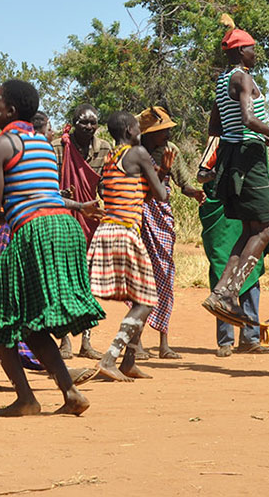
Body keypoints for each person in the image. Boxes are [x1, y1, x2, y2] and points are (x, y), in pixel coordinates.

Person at [0, 79, 105, 416]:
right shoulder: (43, 143)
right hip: (64, 230)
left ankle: (27, 399)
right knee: (32, 321)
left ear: (10, 111)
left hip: (34, 231)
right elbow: (46, 195)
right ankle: (70, 393)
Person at [201, 22, 269, 330]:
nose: (255, 53)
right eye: (252, 48)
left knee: (249, 230)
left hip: (233, 157)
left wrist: (242, 140)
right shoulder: (243, 77)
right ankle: (228, 293)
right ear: (240, 51)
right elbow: (250, 119)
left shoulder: (223, 82)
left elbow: (215, 127)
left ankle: (223, 291)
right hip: (249, 159)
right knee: (264, 230)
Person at [86, 111, 166, 381]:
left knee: (141, 296)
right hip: (124, 232)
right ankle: (111, 358)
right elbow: (161, 195)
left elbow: (133, 190)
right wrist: (162, 171)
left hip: (109, 229)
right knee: (146, 300)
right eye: (137, 127)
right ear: (131, 130)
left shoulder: (112, 157)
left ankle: (129, 361)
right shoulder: (139, 153)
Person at [135, 106, 204, 359]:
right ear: (147, 134)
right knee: (141, 277)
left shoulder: (171, 151)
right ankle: (137, 342)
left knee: (164, 274)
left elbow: (183, 183)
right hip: (141, 214)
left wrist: (195, 192)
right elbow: (145, 189)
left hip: (161, 216)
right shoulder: (136, 154)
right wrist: (161, 170)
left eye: (166, 130)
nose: (166, 135)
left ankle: (164, 341)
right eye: (161, 131)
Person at [51, 103, 111, 359]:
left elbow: (105, 185)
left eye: (92, 123)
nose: (88, 127)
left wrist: (111, 210)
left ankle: (86, 341)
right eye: (83, 122)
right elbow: (49, 186)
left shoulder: (105, 148)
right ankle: (65, 340)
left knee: (87, 282)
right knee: (62, 279)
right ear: (73, 123)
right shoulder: (56, 147)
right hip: (63, 218)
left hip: (90, 221)